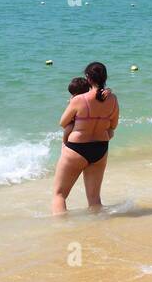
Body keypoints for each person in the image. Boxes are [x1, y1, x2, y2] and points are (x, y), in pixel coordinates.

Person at [51, 62, 119, 215]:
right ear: (105, 78)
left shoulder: (79, 99)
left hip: (76, 149)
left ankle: (60, 230)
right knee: (94, 199)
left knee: (59, 195)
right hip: (100, 149)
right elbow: (113, 125)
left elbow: (63, 122)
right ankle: (97, 229)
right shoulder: (113, 99)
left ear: (88, 78)